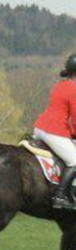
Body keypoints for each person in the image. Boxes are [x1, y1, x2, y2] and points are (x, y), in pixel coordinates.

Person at [33, 53, 76, 209]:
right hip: (53, 130)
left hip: (40, 127)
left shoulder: (60, 85)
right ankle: (61, 196)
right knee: (75, 160)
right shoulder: (74, 89)